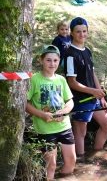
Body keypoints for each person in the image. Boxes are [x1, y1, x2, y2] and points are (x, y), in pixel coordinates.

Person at [64, 17, 107, 161]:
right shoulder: (70, 55)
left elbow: (92, 74)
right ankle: (80, 161)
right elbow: (71, 82)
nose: (82, 35)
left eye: (84, 31)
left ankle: (95, 155)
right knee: (81, 132)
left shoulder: (87, 51)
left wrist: (101, 96)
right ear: (72, 33)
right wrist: (93, 92)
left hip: (94, 97)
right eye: (78, 32)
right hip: (81, 99)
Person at [26, 45, 76, 180]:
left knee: (71, 160)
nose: (52, 63)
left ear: (59, 61)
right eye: (48, 60)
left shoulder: (61, 79)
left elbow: (70, 101)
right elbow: (26, 104)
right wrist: (41, 114)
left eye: (55, 60)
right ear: (41, 61)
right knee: (51, 164)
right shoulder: (34, 80)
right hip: (45, 129)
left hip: (64, 127)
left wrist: (64, 111)